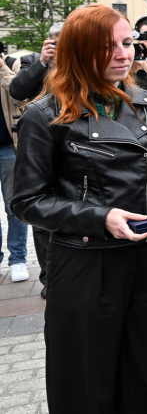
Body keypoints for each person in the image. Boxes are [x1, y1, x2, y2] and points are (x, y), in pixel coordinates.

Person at [11, 4, 147, 414]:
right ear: (77, 50)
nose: (123, 55)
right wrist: (100, 217)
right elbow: (26, 201)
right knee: (85, 384)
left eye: (127, 43)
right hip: (86, 264)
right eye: (107, 47)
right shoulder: (45, 114)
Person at [9, 21, 65, 298]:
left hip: (71, 146)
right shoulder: (33, 61)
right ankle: (49, 279)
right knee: (42, 216)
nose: (58, 48)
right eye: (54, 42)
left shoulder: (82, 62)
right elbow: (17, 91)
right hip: (39, 146)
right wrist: (43, 61)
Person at [0, 49, 29, 285]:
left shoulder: (12, 66)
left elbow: (21, 97)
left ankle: (18, 258)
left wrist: (2, 69)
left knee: (14, 205)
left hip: (9, 147)